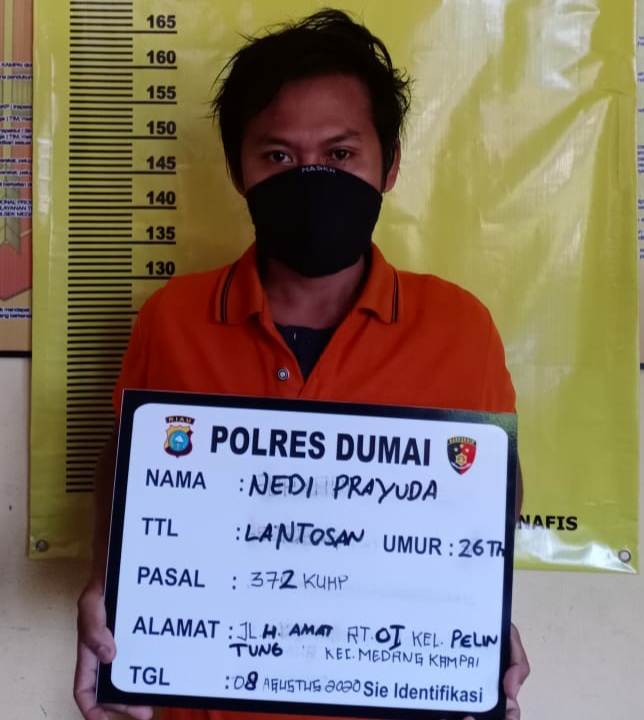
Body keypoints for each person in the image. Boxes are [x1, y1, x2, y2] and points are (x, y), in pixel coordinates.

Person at [74, 9, 529, 720]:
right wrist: (108, 580)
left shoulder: (460, 326)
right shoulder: (172, 318)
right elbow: (134, 457)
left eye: (341, 153)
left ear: (390, 164)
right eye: (278, 157)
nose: (312, 178)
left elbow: (488, 480)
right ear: (238, 171)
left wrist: (475, 612)